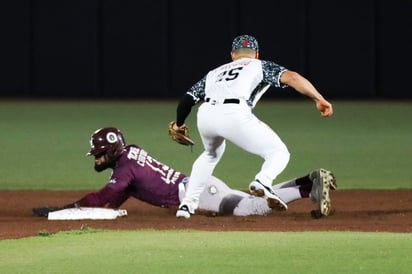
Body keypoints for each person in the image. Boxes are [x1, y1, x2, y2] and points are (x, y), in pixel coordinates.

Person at [172, 34, 334, 219]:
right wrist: (318, 98)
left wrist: (179, 124)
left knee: (210, 154)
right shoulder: (259, 65)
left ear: (233, 54)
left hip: (206, 114)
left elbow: (186, 101)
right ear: (256, 54)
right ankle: (262, 181)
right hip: (233, 112)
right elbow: (293, 78)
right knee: (279, 152)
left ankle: (186, 205)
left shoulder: (214, 73)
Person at [32, 127, 337, 218]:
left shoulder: (124, 168)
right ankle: (306, 181)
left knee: (254, 207)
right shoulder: (130, 154)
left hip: (199, 192)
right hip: (200, 187)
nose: (96, 160)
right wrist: (105, 211)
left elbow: (107, 194)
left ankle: (308, 189)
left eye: (99, 155)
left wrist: (67, 209)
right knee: (247, 201)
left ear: (111, 152)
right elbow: (118, 195)